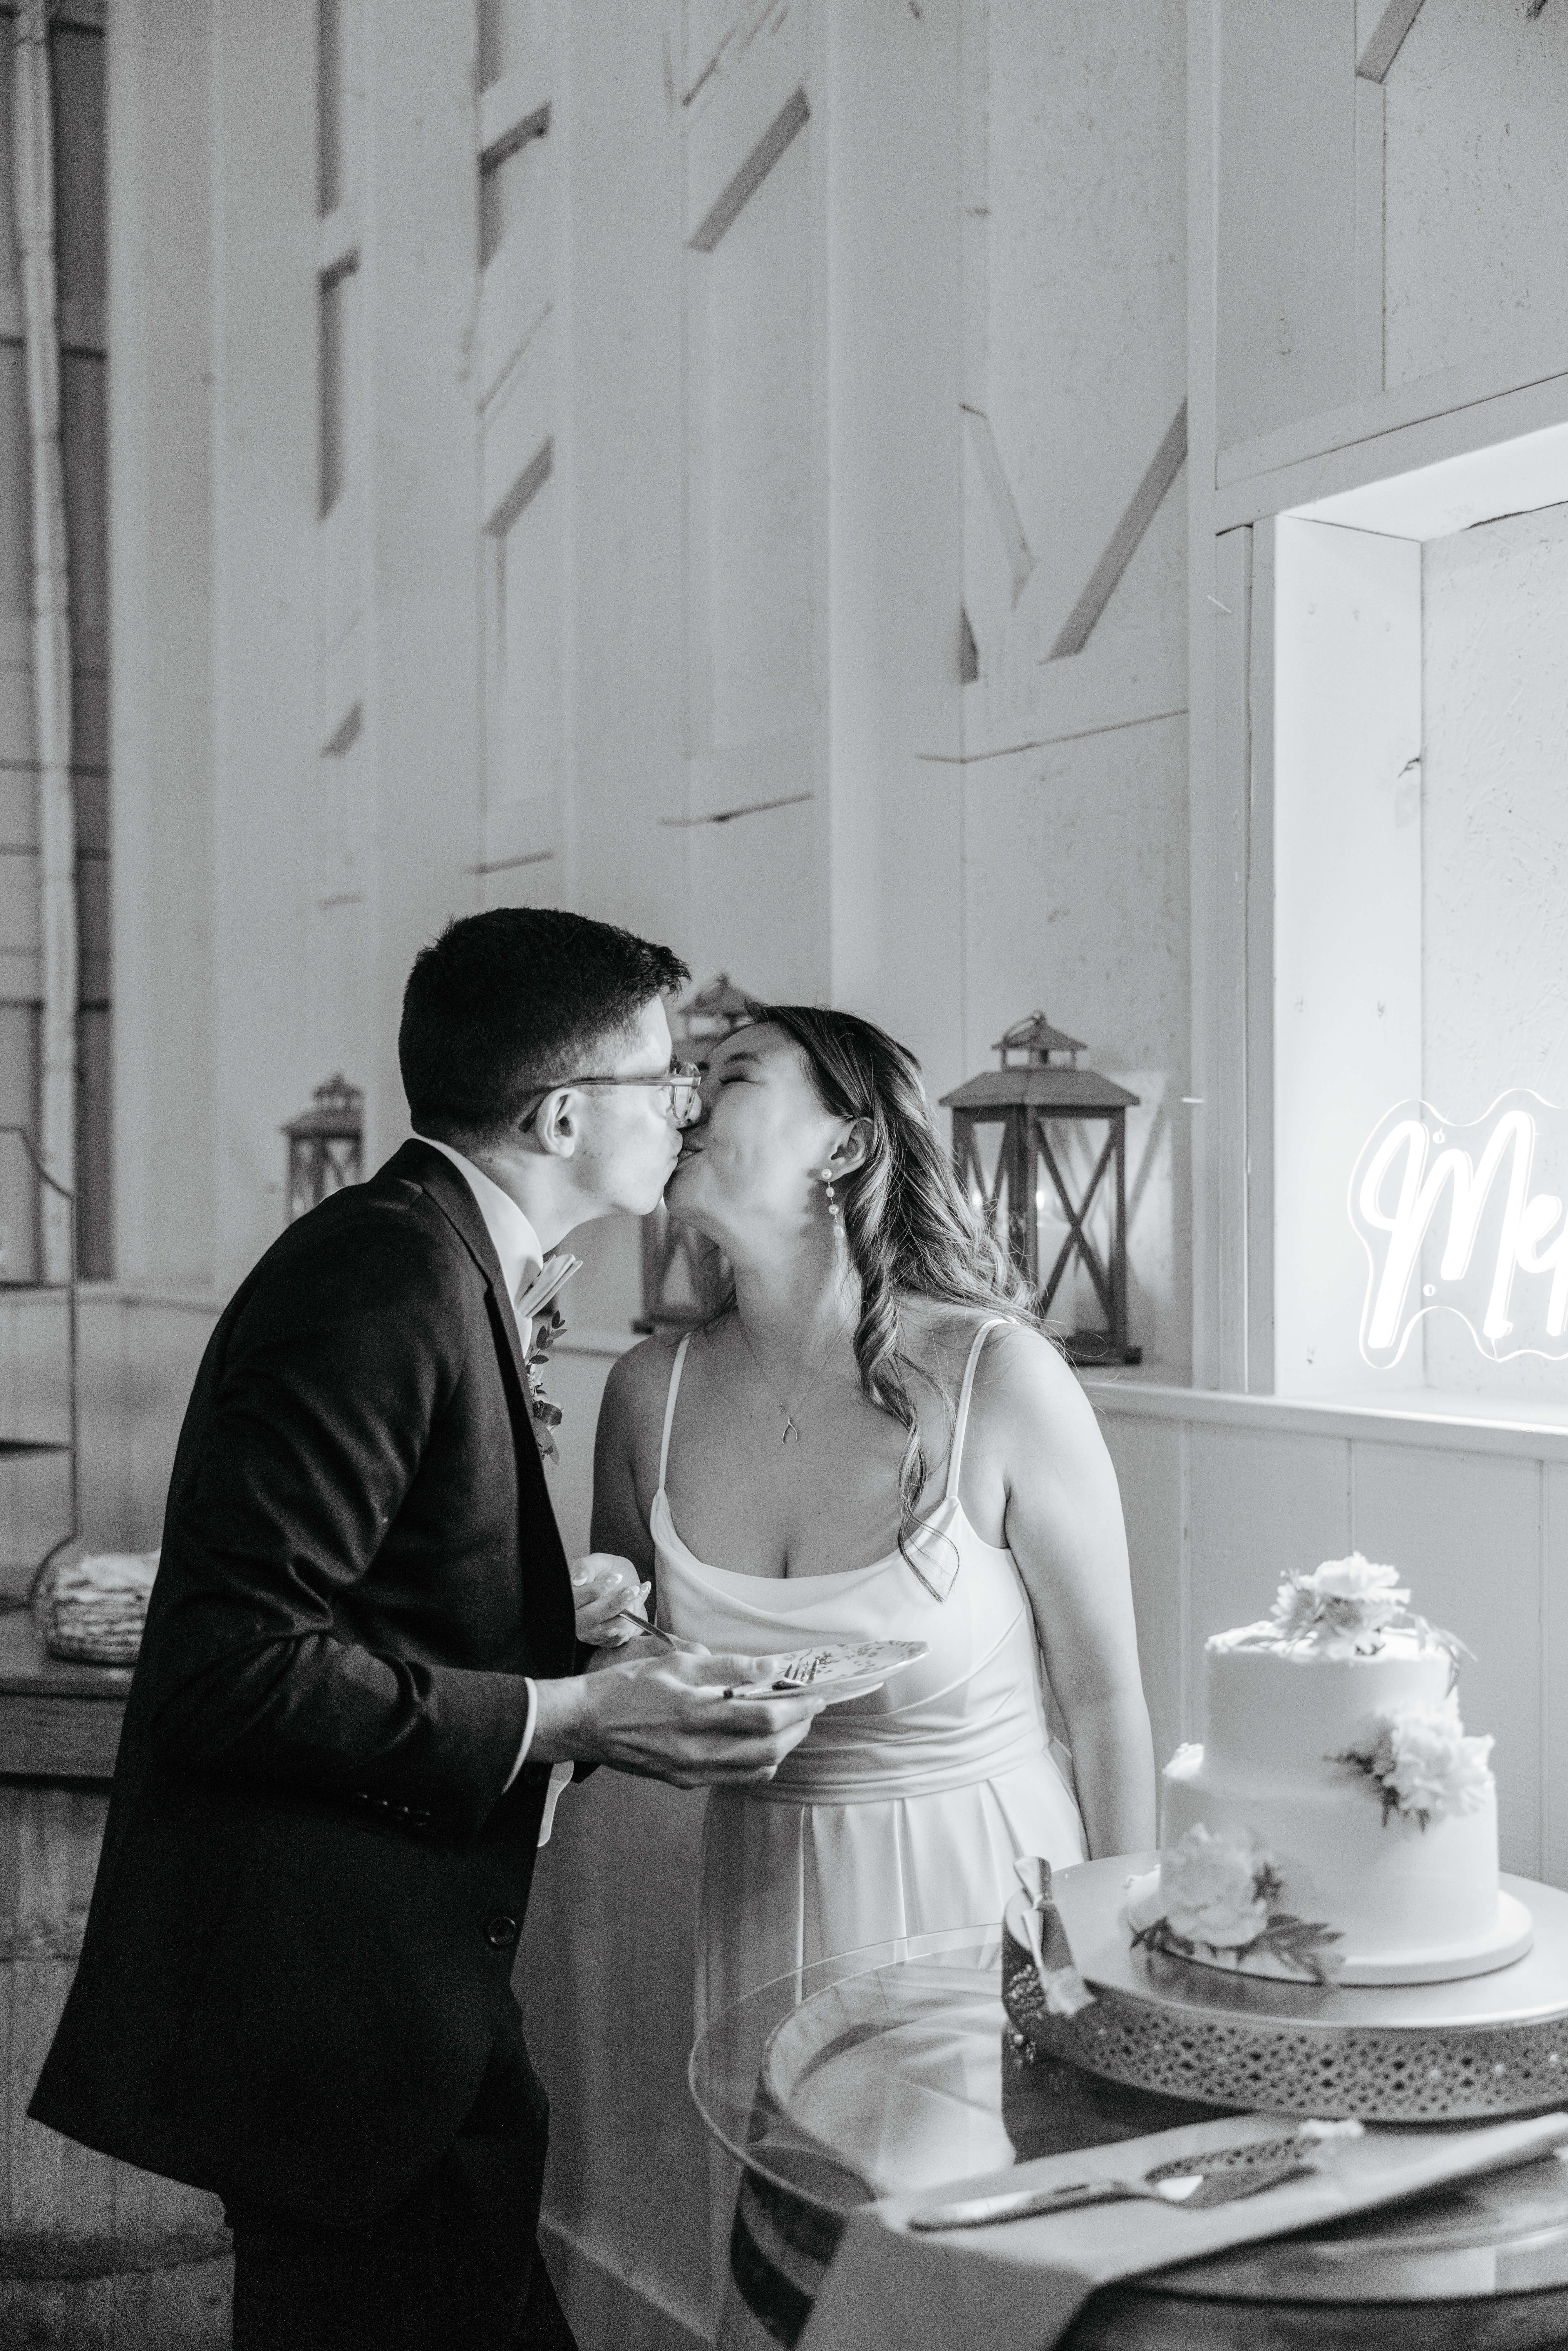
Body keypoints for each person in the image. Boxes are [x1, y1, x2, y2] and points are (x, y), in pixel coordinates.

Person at [29, 910, 826, 2351]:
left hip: (405, 1991)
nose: (688, 1108)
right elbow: (231, 1662)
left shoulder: (436, 1254)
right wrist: (566, 1716)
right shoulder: (386, 1275)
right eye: (667, 1078)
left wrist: (537, 1618)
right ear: (566, 1110)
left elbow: (357, 1588)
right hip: (332, 2002)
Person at [588, 1005, 1154, 2038]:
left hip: (982, 1897)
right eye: (683, 1085)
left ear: (844, 1146)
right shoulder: (645, 1395)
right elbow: (621, 1662)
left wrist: (1116, 1962)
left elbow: (1105, 1699)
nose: (686, 1107)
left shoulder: (1002, 1377)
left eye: (732, 1079)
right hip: (758, 1899)